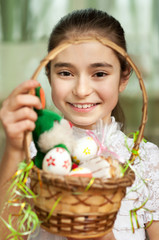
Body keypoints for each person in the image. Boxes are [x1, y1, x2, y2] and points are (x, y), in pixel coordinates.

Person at [0, 8, 159, 240]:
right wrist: (15, 148)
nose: (82, 90)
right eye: (65, 72)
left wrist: (98, 229)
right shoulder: (34, 155)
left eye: (100, 73)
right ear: (48, 75)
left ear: (124, 78)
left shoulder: (147, 162)